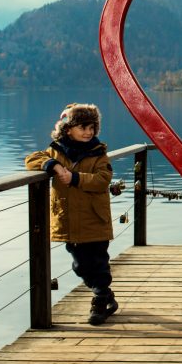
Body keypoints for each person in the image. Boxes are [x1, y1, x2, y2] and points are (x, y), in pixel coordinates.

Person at [25, 103, 118, 326]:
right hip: (68, 220)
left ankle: (99, 300)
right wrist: (54, 166)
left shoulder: (99, 154)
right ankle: (106, 296)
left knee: (98, 261)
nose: (88, 132)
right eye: (83, 127)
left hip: (94, 219)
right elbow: (31, 160)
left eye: (92, 128)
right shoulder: (56, 151)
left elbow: (102, 180)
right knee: (79, 265)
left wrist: (75, 178)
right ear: (68, 129)